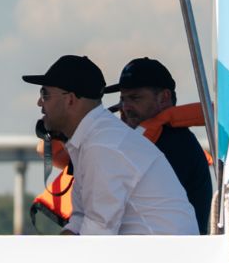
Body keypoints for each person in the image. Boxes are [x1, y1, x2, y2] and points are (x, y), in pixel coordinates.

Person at [25, 54, 197, 236]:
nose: (39, 103)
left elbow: (98, 232)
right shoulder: (92, 141)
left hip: (164, 260)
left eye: (45, 94)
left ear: (70, 100)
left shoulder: (103, 145)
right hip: (152, 256)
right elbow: (79, 220)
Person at [108, 57, 214, 234]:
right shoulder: (150, 142)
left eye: (135, 98)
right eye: (122, 99)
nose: (125, 107)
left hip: (172, 256)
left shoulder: (177, 145)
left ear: (164, 98)